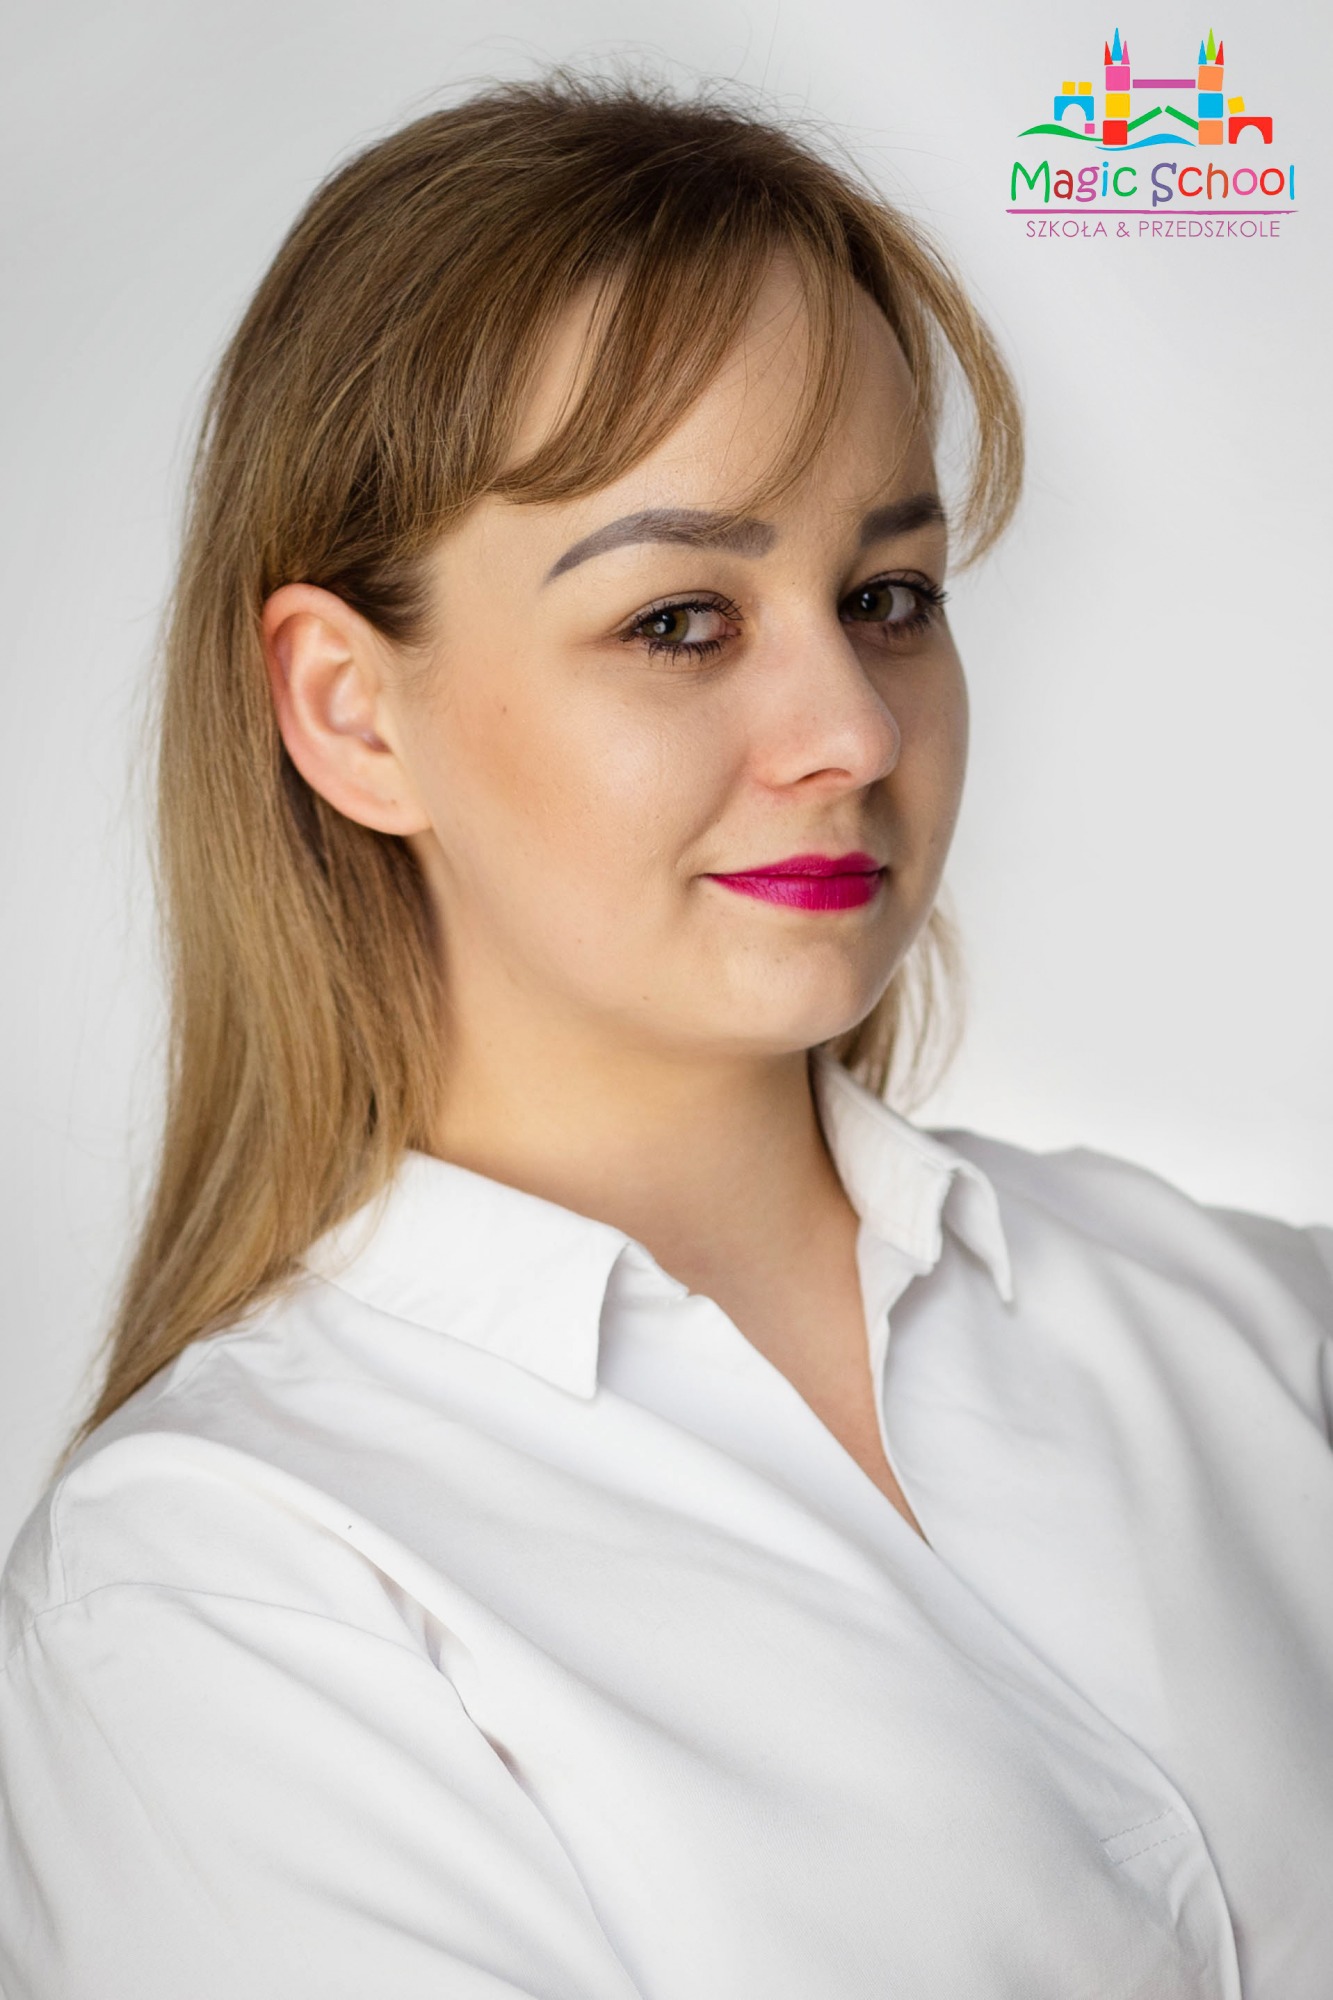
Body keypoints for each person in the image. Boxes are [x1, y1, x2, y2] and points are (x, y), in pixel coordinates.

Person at [0, 66, 1329, 2000]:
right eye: (678, 622)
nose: (851, 732)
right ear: (351, 711)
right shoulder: (229, 1589)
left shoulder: (1250, 1327)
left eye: (887, 595)